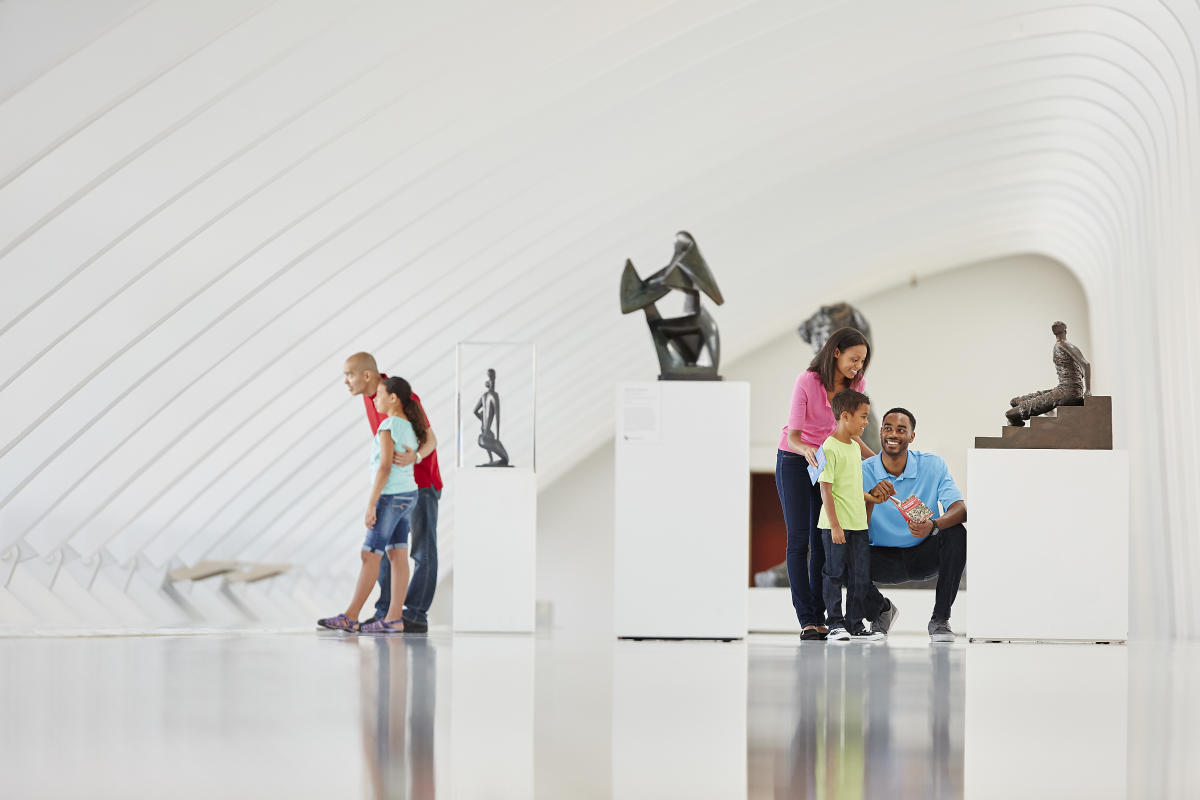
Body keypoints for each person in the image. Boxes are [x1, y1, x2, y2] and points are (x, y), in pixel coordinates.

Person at [776, 327, 874, 641]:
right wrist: (805, 449)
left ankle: (823, 618)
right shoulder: (807, 381)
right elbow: (793, 434)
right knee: (799, 540)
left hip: (827, 461)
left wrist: (879, 459)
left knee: (823, 541)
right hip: (795, 459)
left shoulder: (856, 383)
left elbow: (851, 433)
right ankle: (807, 619)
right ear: (835, 352)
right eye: (853, 359)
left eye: (862, 361)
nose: (857, 366)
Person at [343, 352, 443, 632]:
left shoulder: (397, 395)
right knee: (390, 551)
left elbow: (431, 439)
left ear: (367, 375)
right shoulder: (371, 399)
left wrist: (416, 458)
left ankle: (415, 615)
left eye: (349, 375)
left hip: (421, 483)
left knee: (422, 550)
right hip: (396, 486)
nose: (346, 381)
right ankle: (387, 612)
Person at [318, 377, 427, 633]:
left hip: (390, 497)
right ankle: (393, 618)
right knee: (397, 554)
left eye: (378, 394)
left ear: (393, 398)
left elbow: (385, 466)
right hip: (408, 496)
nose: (374, 399)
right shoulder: (410, 426)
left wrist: (371, 504)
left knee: (369, 555)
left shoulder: (388, 425)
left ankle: (351, 616)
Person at [860, 408, 968, 643]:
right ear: (880, 432)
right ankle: (879, 611)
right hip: (879, 557)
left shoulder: (933, 465)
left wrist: (933, 525)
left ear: (912, 436)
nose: (893, 434)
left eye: (901, 430)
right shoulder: (862, 471)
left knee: (957, 533)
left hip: (923, 555)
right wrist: (870, 499)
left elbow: (961, 510)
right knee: (838, 545)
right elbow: (854, 527)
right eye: (888, 428)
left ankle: (940, 619)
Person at [817, 389, 885, 642]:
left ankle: (854, 624)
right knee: (834, 573)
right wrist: (834, 525)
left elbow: (854, 486)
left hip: (858, 525)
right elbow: (826, 487)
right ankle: (834, 623)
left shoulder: (855, 446)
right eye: (863, 417)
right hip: (836, 525)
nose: (866, 423)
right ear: (845, 416)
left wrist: (871, 498)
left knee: (860, 575)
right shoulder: (829, 447)